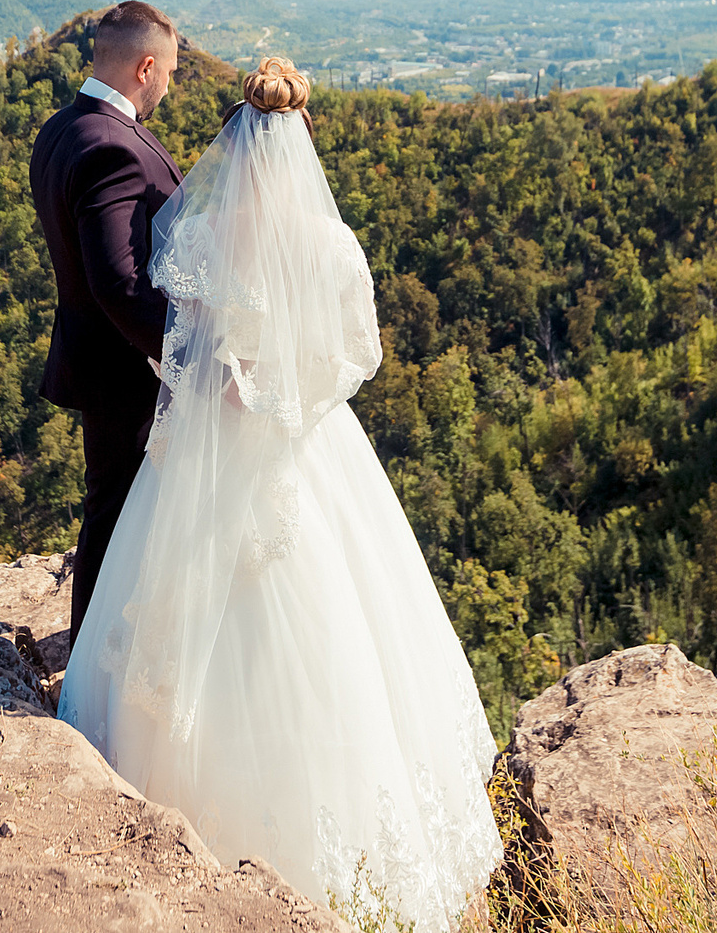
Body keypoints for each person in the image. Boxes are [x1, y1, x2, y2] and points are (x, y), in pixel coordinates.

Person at [59, 56, 504, 930]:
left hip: (206, 451)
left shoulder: (199, 231)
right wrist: (287, 398)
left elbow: (172, 347)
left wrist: (228, 386)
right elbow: (356, 357)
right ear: (301, 139)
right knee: (339, 631)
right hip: (304, 441)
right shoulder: (330, 244)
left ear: (237, 136)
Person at [30, 0, 183, 641]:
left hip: (97, 358)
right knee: (118, 514)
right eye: (169, 73)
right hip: (127, 370)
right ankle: (92, 661)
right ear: (146, 67)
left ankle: (99, 653)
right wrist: (185, 351)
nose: (170, 86)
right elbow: (118, 281)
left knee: (114, 510)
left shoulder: (61, 129)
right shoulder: (109, 146)